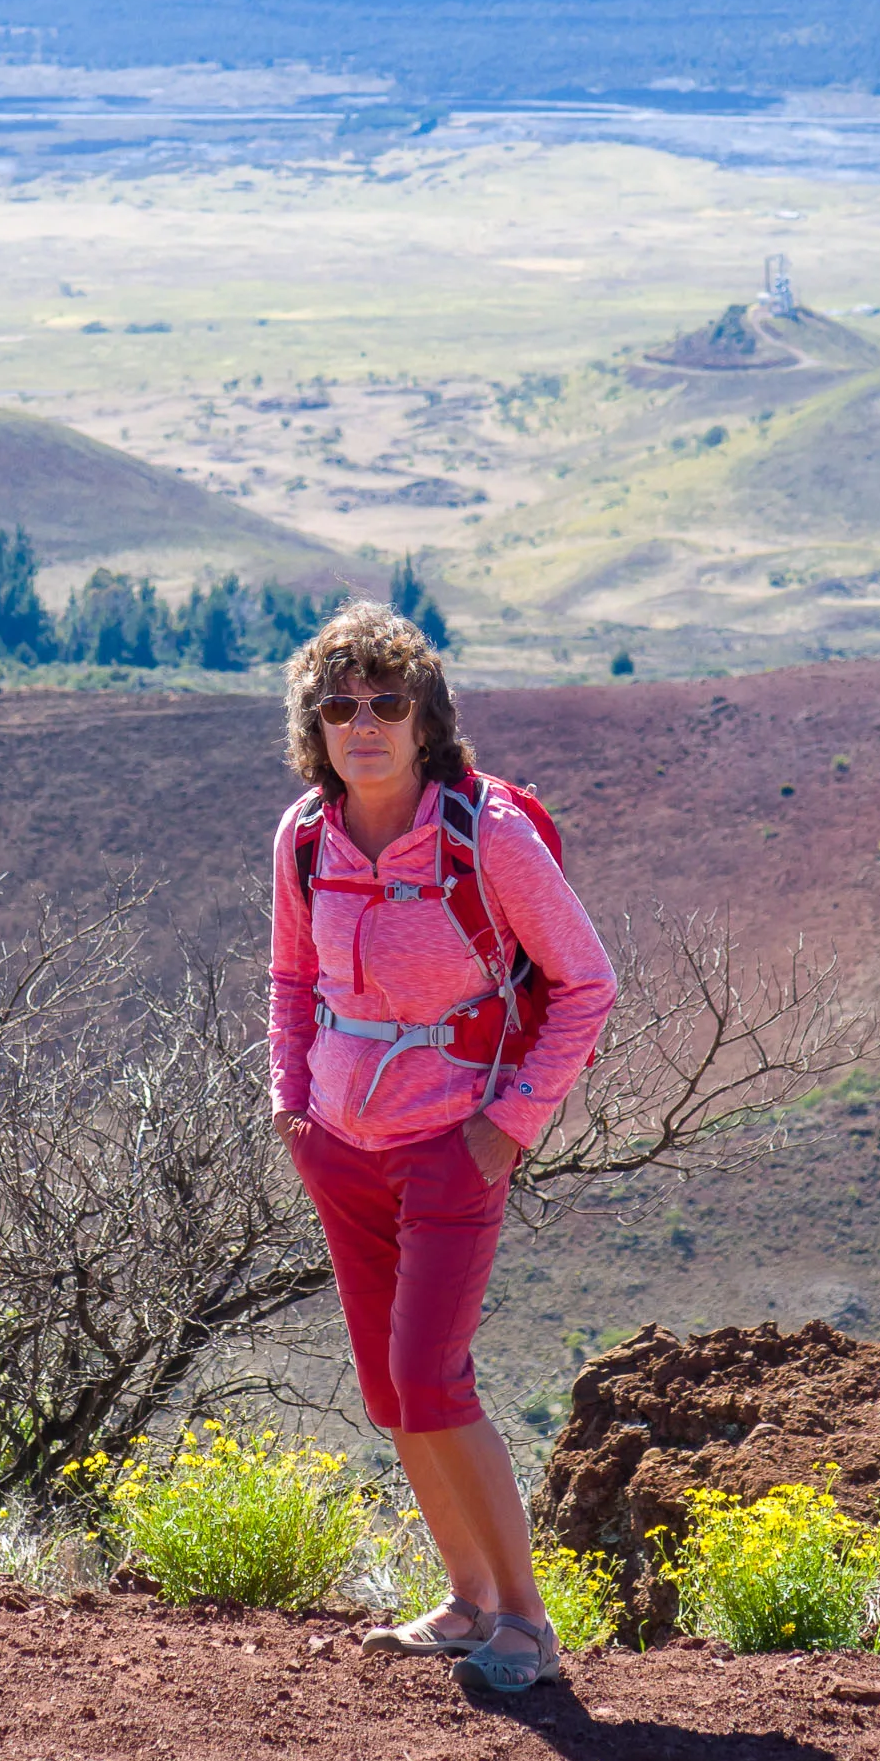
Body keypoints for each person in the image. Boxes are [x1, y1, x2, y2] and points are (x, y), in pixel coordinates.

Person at [267, 600, 616, 1694]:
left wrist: (509, 1122)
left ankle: (527, 1619)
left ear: (426, 719)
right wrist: (288, 1100)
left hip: (452, 1144)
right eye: (340, 704)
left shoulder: (486, 834)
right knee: (388, 1385)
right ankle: (467, 1600)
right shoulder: (306, 837)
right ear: (314, 725)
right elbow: (290, 980)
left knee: (433, 1372)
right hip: (339, 1142)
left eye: (386, 701)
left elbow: (587, 983)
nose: (362, 722)